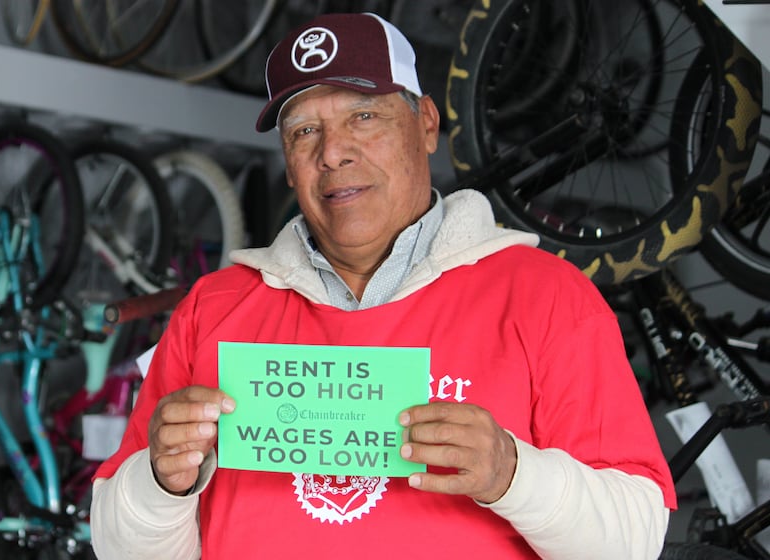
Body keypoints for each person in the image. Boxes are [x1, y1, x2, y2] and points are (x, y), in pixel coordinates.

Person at [90, 11, 676, 559]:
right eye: (303, 132)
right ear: (288, 161)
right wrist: (162, 485)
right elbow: (117, 544)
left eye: (363, 117)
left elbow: (636, 538)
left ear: (425, 124)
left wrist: (511, 473)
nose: (334, 153)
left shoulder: (546, 296)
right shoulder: (213, 308)